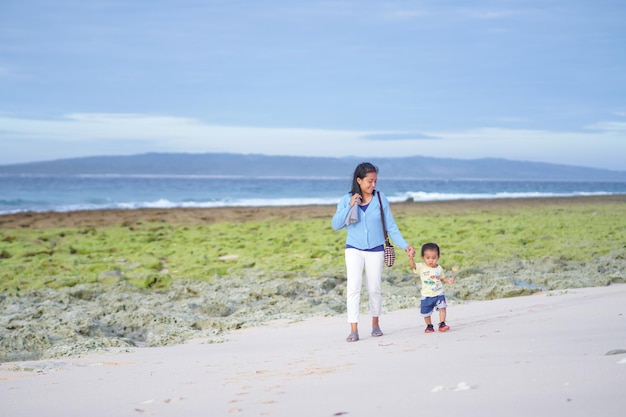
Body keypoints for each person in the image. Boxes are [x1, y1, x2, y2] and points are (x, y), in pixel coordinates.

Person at [332, 162, 416, 342]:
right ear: (359, 180)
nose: (373, 185)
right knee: (353, 288)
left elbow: (391, 226)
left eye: (375, 181)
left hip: (376, 249)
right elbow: (336, 225)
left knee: (374, 288)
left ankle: (375, 323)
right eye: (369, 181)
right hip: (353, 249)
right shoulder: (346, 199)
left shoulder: (380, 198)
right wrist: (350, 205)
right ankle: (353, 328)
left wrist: (404, 245)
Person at [409, 242, 455, 333]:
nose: (431, 260)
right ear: (423, 258)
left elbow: (441, 278)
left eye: (434, 258)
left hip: (439, 293)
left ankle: (442, 324)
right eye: (428, 258)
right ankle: (429, 326)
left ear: (438, 257)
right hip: (426, 295)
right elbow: (413, 266)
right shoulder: (422, 267)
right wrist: (411, 257)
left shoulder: (439, 268)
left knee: (442, 307)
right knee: (426, 313)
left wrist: (448, 280)